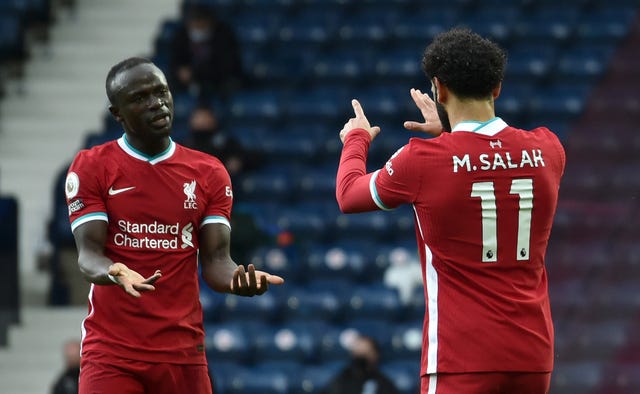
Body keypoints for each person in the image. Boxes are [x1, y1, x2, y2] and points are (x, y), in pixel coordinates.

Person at [335, 27, 565, 394]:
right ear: (497, 88)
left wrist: (356, 139)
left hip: (461, 358)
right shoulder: (548, 149)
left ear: (438, 89)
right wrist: (447, 132)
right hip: (533, 354)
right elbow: (489, 162)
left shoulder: (423, 160)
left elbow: (348, 195)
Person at [64, 56, 284, 394]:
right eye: (140, 98)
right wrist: (117, 272)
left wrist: (237, 280)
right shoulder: (92, 166)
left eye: (162, 92)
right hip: (112, 353)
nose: (157, 104)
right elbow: (88, 256)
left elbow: (215, 262)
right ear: (117, 113)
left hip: (182, 353)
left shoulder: (208, 172)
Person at [168, 4, 244, 101]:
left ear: (209, 23)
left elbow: (226, 66)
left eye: (201, 25)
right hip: (189, 79)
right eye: (195, 25)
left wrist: (195, 73)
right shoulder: (181, 35)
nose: (198, 29)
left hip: (217, 78)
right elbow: (175, 61)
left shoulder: (224, 35)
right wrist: (180, 71)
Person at [321, 334, 400, 394]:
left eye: (366, 354)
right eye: (358, 354)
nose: (361, 360)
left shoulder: (383, 383)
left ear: (375, 355)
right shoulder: (341, 380)